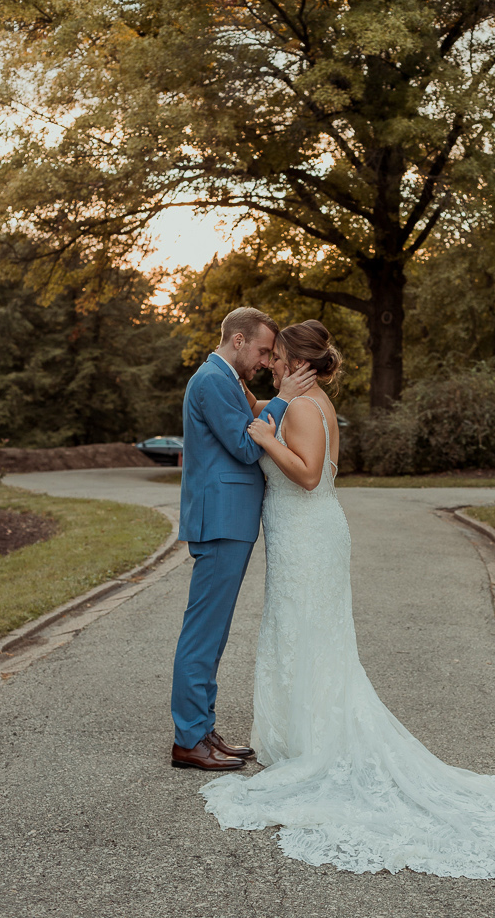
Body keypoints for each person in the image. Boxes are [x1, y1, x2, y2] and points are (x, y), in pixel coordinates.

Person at [198, 320, 495, 877]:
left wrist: (264, 437)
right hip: (305, 533)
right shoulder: (310, 402)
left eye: (279, 356)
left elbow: (306, 477)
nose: (272, 363)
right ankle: (302, 735)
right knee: (304, 635)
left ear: (300, 363)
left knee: (307, 635)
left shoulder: (302, 409)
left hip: (307, 533)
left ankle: (315, 745)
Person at [172, 306, 315, 771]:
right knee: (204, 632)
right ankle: (189, 739)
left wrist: (277, 398)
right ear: (237, 340)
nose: (264, 359)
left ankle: (202, 730)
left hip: (230, 520)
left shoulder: (228, 380)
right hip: (219, 520)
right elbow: (245, 443)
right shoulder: (211, 380)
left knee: (214, 634)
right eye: (261, 350)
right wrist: (282, 398)